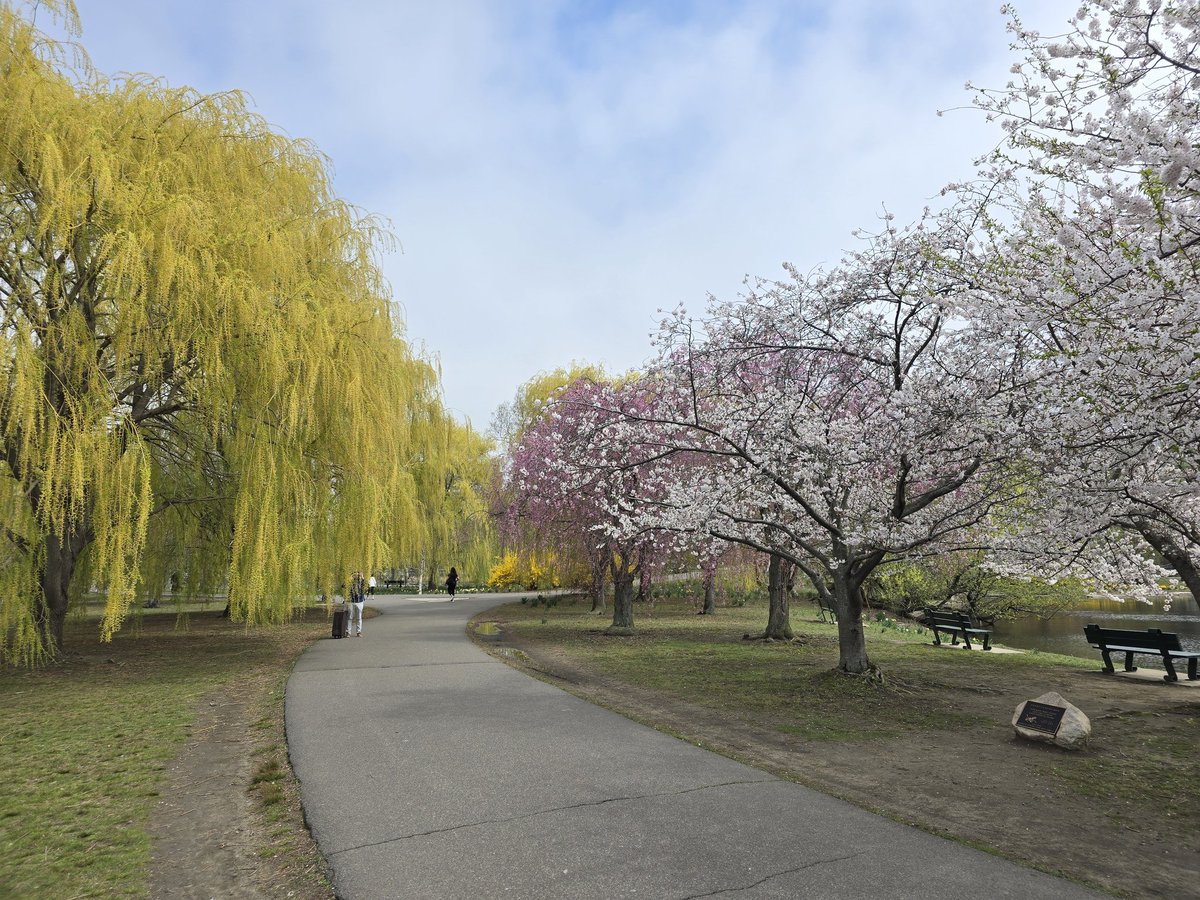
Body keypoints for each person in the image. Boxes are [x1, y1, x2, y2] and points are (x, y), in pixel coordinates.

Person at [348, 571, 366, 637]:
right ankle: (348, 632)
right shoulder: (350, 582)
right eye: (354, 574)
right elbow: (343, 586)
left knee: (359, 618)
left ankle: (359, 632)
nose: (356, 575)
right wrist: (349, 579)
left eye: (357, 574)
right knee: (349, 617)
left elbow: (366, 586)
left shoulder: (361, 581)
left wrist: (362, 577)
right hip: (351, 601)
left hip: (359, 601)